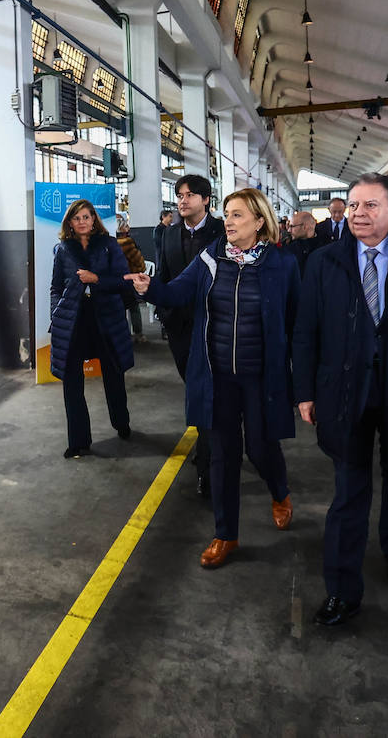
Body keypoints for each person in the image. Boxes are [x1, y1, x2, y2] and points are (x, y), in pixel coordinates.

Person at [294, 172, 388, 628]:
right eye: (354, 205)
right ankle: (341, 587)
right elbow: (306, 328)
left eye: (371, 205)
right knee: (348, 489)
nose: (360, 213)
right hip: (343, 390)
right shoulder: (325, 261)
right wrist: (304, 390)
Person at [128, 188, 299, 568]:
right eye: (227, 214)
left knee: (260, 448)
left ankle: (280, 492)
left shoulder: (282, 265)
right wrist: (149, 288)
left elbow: (295, 322)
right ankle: (225, 535)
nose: (229, 222)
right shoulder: (210, 258)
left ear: (259, 221)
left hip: (259, 377)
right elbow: (176, 293)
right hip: (217, 375)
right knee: (222, 456)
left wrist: (297, 377)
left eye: (238, 215)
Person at [156, 175, 225, 496]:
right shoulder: (168, 235)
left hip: (216, 326)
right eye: (179, 195)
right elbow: (166, 276)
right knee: (194, 387)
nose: (183, 201)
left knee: (210, 390)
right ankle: (212, 441)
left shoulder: (223, 232)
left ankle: (210, 459)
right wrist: (164, 311)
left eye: (190, 195)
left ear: (206, 200)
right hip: (181, 328)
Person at [49, 199, 134, 458]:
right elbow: (56, 286)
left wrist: (95, 279)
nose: (83, 221)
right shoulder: (63, 249)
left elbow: (123, 281)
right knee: (71, 382)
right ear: (70, 224)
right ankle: (78, 441)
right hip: (74, 320)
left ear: (94, 219)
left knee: (113, 374)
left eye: (87, 216)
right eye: (77, 218)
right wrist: (57, 312)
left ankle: (122, 423)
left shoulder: (109, 245)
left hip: (106, 318)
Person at [115, 213, 148, 344]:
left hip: (116, 280)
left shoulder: (110, 242)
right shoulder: (127, 243)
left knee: (120, 309)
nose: (128, 227)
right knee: (134, 308)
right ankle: (138, 334)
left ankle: (124, 335)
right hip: (129, 280)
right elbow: (140, 263)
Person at [285, 210, 319, 275]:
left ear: (304, 227)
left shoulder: (326, 248)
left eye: (292, 226)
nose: (289, 230)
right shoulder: (288, 249)